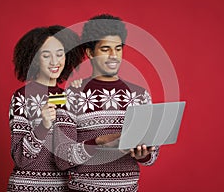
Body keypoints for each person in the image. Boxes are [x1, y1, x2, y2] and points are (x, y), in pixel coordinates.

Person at [53, 14, 160, 192]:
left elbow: (152, 156)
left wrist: (144, 153)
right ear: (90, 53)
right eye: (105, 49)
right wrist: (99, 141)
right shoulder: (72, 94)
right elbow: (62, 157)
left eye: (118, 49)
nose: (113, 55)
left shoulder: (140, 95)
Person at [8, 25, 84, 191]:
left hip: (62, 187)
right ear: (34, 59)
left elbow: (75, 153)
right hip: (27, 187)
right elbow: (20, 159)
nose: (55, 61)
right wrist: (43, 126)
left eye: (59, 54)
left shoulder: (69, 97)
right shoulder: (22, 97)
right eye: (46, 55)